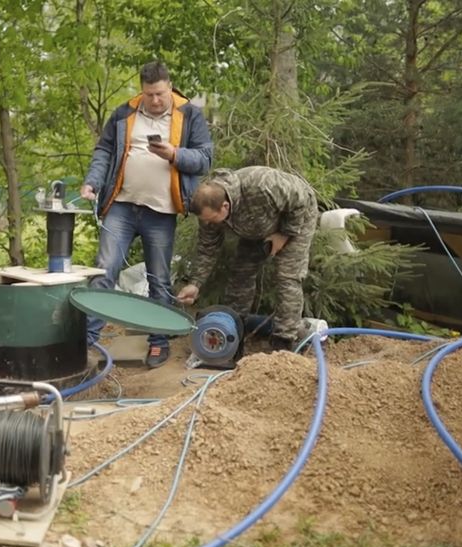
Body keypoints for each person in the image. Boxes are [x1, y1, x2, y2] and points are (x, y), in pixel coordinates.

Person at [80, 61, 213, 368]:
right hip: (121, 206)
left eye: (160, 94)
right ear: (141, 91)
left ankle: (158, 342)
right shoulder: (124, 112)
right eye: (149, 94)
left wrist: (175, 155)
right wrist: (92, 182)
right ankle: (86, 342)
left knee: (159, 279)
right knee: (103, 271)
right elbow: (103, 151)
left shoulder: (190, 115)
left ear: (170, 87)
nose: (155, 100)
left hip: (162, 212)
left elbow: (205, 158)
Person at [176, 167, 319, 351]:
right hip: (255, 226)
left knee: (287, 277)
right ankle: (234, 330)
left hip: (296, 219)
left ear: (225, 206)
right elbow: (208, 249)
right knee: (241, 273)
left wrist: (284, 234)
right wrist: (195, 283)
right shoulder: (209, 213)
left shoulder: (261, 184)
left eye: (213, 220)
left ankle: (284, 341)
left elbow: (300, 200)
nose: (210, 224)